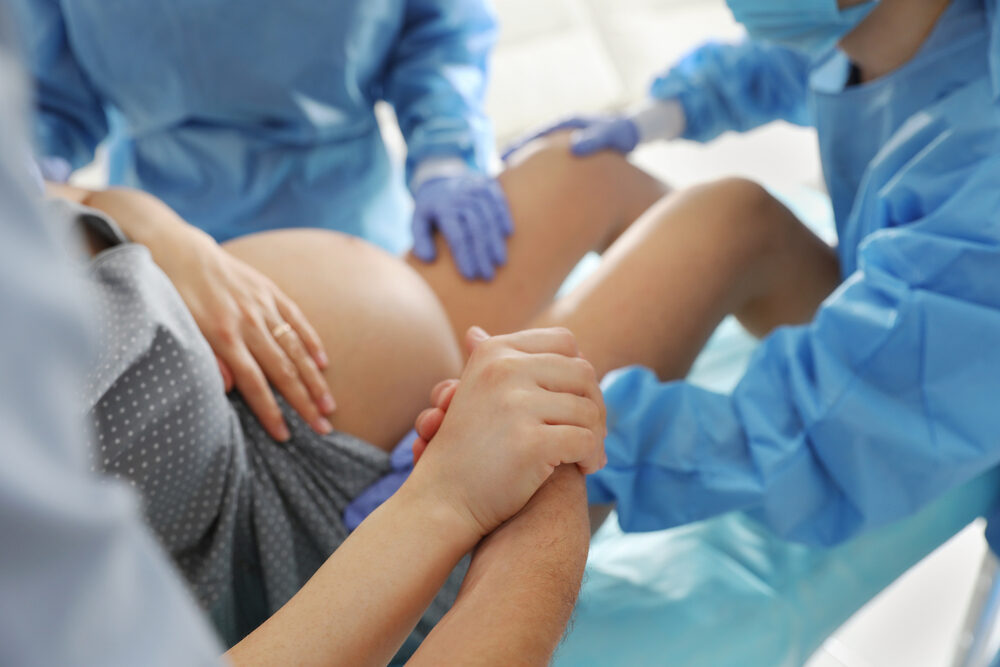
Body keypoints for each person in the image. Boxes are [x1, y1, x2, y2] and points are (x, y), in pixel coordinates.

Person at [0, 23, 602, 665]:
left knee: (602, 173)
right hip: (341, 516)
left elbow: (38, 192)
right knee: (705, 216)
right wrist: (465, 500)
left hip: (328, 303)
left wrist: (145, 224)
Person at [504, 0, 1000, 553]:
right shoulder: (899, 34)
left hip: (955, 381)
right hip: (918, 309)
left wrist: (578, 437)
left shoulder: (985, 176)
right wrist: (660, 114)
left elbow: (835, 434)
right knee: (728, 214)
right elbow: (789, 64)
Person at [8, 0, 514, 450]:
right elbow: (47, 98)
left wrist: (446, 157)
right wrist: (30, 166)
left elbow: (439, 26)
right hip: (159, 264)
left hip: (357, 228)